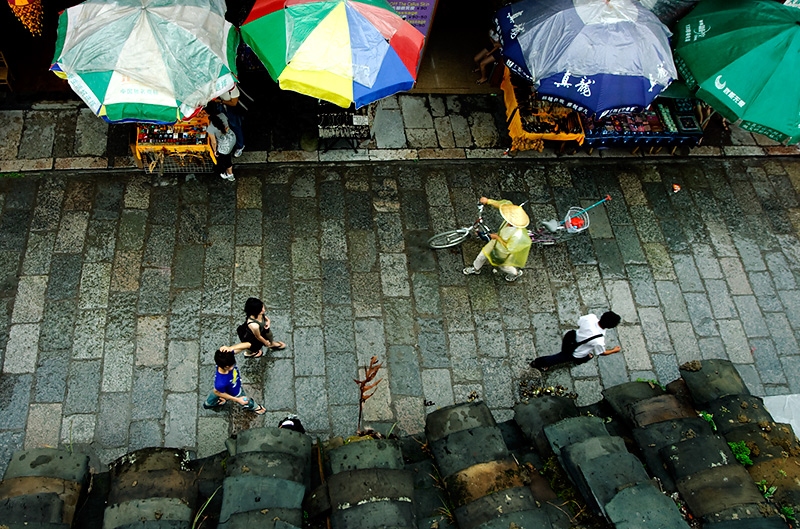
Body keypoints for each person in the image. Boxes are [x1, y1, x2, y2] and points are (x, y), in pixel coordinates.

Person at [463, 196, 532, 282]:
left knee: (504, 266)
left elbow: (510, 248)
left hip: (503, 251)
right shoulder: (510, 218)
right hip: (495, 241)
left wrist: (497, 238)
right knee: (482, 255)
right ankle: (475, 268)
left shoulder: (517, 235)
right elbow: (502, 205)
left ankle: (515, 273)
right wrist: (488, 201)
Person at [531, 311, 622, 371]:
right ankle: (538, 363)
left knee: (570, 355)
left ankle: (584, 358)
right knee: (558, 358)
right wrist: (614, 350)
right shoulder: (599, 340)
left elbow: (579, 322)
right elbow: (602, 352)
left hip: (570, 338)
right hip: (575, 351)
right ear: (610, 327)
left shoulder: (591, 318)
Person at [203, 346, 267, 414]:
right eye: (232, 366)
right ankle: (255, 407)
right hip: (235, 391)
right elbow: (217, 392)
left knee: (218, 392)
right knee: (245, 401)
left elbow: (244, 346)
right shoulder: (221, 382)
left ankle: (208, 404)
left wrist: (230, 348)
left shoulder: (225, 360)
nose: (233, 366)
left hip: (229, 386)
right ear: (226, 367)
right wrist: (237, 399)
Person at [214, 84, 246, 158]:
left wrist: (220, 101)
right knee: (226, 125)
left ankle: (240, 146)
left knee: (235, 126)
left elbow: (234, 103)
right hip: (222, 107)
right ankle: (231, 142)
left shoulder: (232, 88)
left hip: (231, 109)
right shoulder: (217, 85)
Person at [205, 110, 236, 182]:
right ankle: (229, 173)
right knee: (227, 156)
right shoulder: (222, 115)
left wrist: (215, 151)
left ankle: (230, 174)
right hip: (232, 138)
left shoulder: (210, 128)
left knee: (225, 160)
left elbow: (214, 142)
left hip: (225, 146)